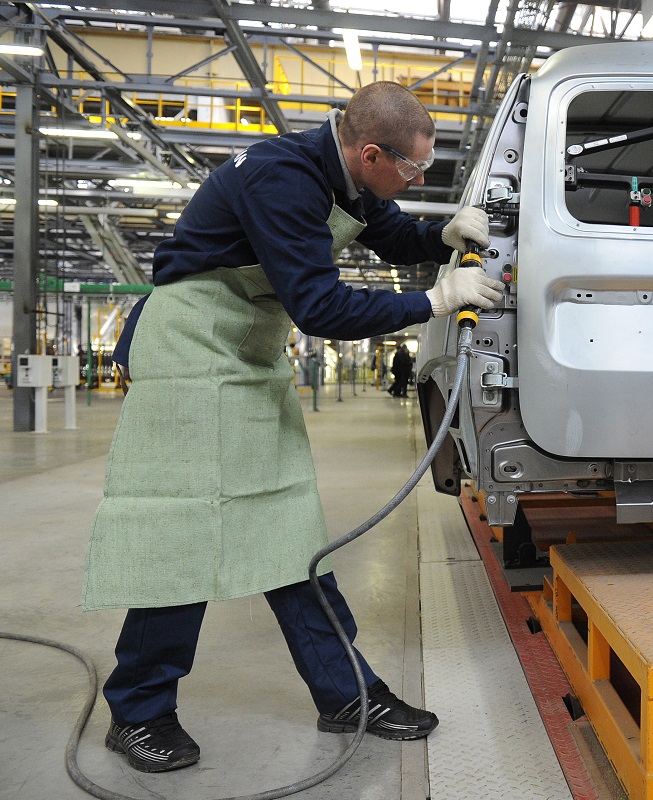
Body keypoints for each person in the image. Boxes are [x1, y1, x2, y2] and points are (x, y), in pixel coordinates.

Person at [82, 81, 504, 773]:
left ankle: (347, 694)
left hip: (244, 352)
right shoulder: (283, 178)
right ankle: (138, 710)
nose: (419, 179)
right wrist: (431, 300)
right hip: (190, 351)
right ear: (371, 153)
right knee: (182, 532)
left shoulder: (348, 178)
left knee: (289, 528)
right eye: (413, 167)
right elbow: (319, 307)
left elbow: (392, 233)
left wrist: (441, 235)